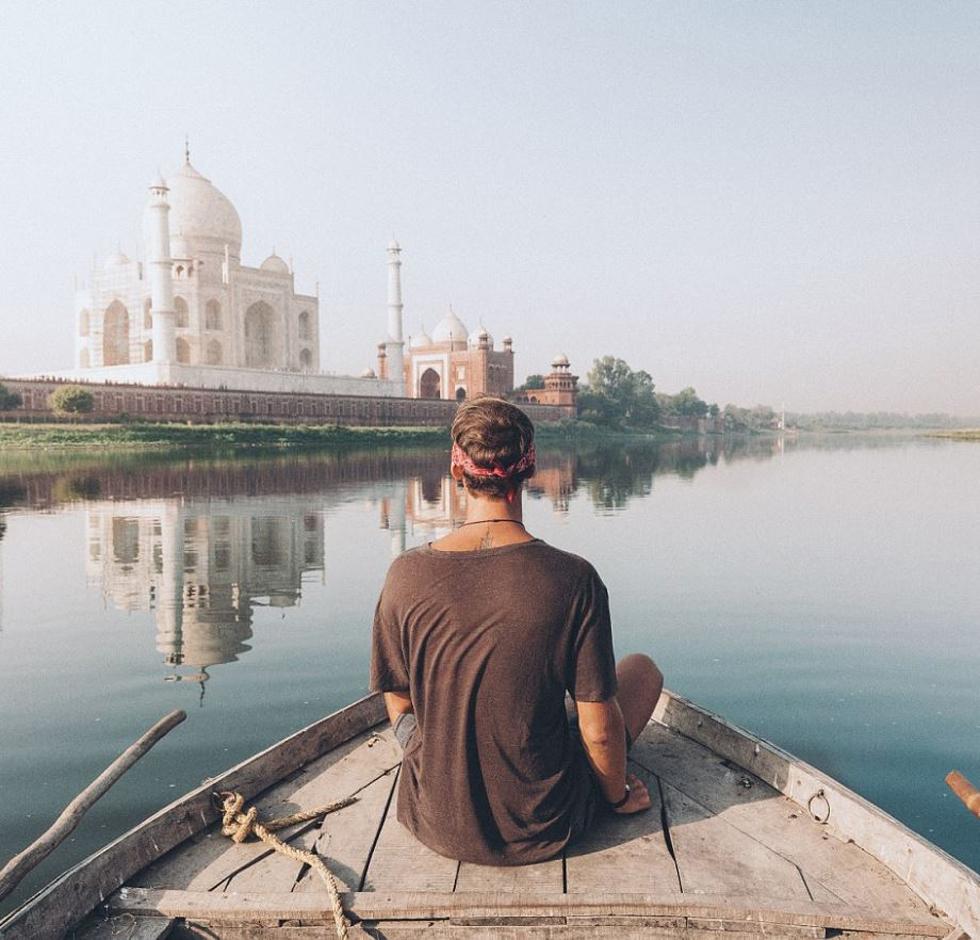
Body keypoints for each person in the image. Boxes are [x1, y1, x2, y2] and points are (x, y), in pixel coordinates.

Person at [370, 396, 664, 865]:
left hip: (434, 822)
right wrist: (616, 798)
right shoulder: (573, 579)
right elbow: (600, 732)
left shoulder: (404, 573)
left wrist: (425, 753)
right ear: (529, 469)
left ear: (456, 470)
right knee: (642, 670)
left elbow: (398, 701)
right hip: (546, 824)